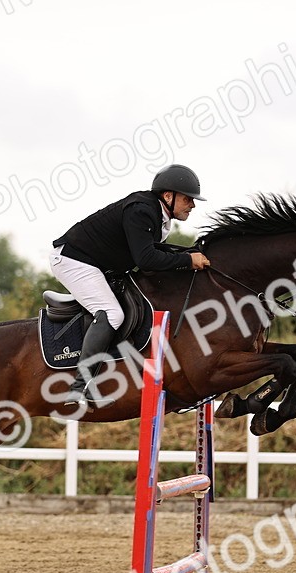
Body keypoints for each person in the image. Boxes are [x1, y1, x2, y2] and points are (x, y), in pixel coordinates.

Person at [49, 163, 211, 407]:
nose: (193, 205)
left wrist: (191, 253)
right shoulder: (142, 211)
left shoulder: (158, 215)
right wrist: (188, 260)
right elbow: (146, 260)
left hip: (95, 262)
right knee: (112, 313)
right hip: (73, 261)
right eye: (188, 199)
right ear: (168, 196)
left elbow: (153, 254)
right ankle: (79, 386)